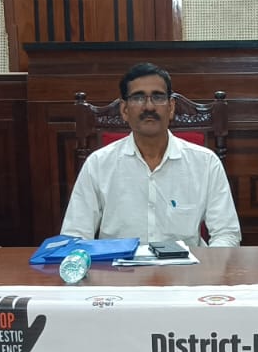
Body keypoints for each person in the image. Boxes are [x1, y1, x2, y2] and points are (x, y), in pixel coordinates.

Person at [60, 62, 240, 247]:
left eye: (158, 97)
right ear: (124, 110)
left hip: (187, 264)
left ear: (171, 107)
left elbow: (227, 233)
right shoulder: (98, 164)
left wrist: (208, 265)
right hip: (118, 265)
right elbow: (76, 234)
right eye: (138, 98)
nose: (149, 107)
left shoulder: (206, 163)